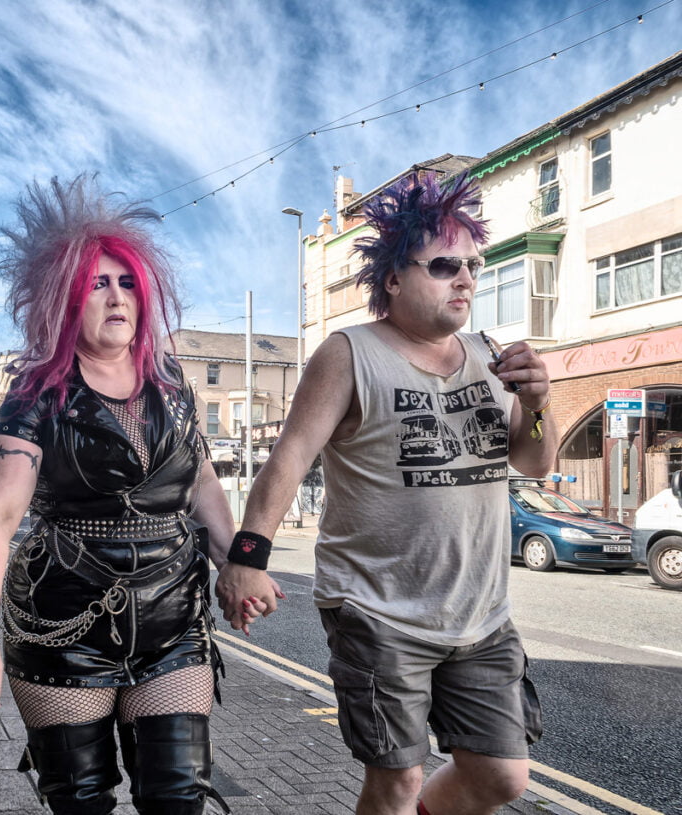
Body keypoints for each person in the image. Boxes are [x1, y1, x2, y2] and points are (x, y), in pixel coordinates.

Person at [216, 173, 557, 815]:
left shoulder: (491, 356)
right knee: (396, 779)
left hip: (480, 614)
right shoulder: (349, 353)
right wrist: (247, 557)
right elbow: (290, 457)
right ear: (394, 278)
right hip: (376, 610)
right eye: (445, 265)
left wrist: (538, 403)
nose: (466, 278)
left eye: (473, 266)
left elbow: (535, 463)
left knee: (501, 776)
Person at [0, 175, 277, 814]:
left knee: (177, 798)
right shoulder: (38, 390)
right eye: (98, 282)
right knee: (81, 801)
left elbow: (201, 482)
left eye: (127, 282)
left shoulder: (173, 382)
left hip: (174, 621)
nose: (117, 295)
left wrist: (237, 563)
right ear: (66, 297)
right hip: (62, 622)